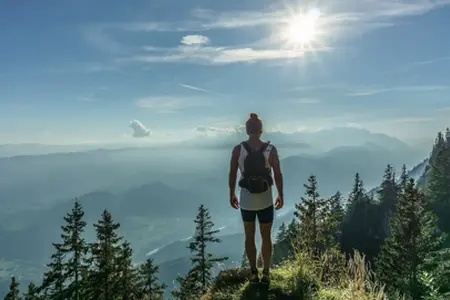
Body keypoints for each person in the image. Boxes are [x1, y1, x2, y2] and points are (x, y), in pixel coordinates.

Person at [228, 112, 284, 284]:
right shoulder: (270, 149)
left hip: (246, 199)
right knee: (266, 236)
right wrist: (281, 195)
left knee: (249, 236)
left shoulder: (238, 149)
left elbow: (232, 173)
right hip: (266, 198)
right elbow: (277, 174)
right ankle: (266, 273)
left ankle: (253, 273)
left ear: (247, 130)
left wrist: (231, 193)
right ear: (261, 130)